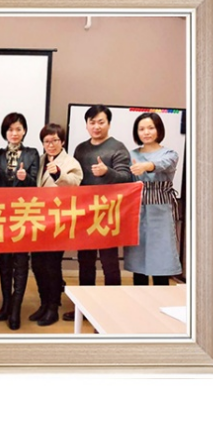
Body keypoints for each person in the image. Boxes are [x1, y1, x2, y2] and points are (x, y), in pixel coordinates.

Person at [68, 105, 132, 320]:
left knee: (109, 262)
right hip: (85, 213)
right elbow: (76, 179)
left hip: (108, 214)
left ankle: (112, 308)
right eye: (92, 122)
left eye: (101, 122)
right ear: (86, 125)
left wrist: (107, 172)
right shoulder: (80, 149)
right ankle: (85, 308)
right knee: (85, 261)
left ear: (109, 124)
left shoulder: (118, 147)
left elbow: (127, 178)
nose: (96, 126)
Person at [30, 123, 83, 326]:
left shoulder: (71, 162)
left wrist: (58, 174)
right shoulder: (39, 159)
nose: (50, 145)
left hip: (58, 221)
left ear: (63, 142)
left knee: (51, 265)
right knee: (37, 264)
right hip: (37, 220)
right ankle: (44, 303)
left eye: (55, 140)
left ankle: (53, 306)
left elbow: (74, 183)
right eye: (46, 141)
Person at [0, 112, 39, 330]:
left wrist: (25, 178)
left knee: (20, 261)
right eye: (10, 129)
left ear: (24, 131)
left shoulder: (32, 153)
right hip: (2, 213)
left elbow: (35, 182)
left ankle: (16, 308)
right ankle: (6, 303)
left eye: (18, 129)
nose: (14, 133)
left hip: (23, 212)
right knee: (4, 261)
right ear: (5, 132)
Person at [123, 112, 182, 284]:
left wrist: (147, 166)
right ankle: (139, 297)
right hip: (136, 211)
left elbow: (164, 164)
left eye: (151, 128)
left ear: (159, 130)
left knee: (160, 258)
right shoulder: (130, 154)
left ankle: (160, 297)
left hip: (161, 211)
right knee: (138, 259)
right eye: (141, 129)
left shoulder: (170, 153)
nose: (146, 132)